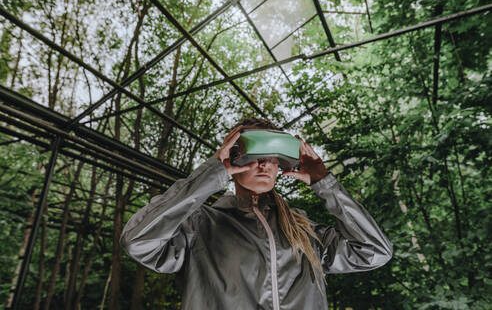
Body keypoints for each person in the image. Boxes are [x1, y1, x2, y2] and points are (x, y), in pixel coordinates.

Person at [120, 117, 393, 310]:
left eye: (273, 156)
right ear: (234, 158)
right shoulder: (200, 226)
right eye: (255, 153)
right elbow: (138, 241)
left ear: (279, 166)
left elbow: (375, 250)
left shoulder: (305, 231)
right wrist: (211, 173)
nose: (264, 163)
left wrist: (325, 183)